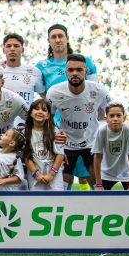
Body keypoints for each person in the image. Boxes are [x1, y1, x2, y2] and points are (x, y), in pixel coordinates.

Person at [35, 24, 99, 191]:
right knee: (64, 175)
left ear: (67, 38)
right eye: (53, 37)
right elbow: (44, 97)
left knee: (91, 174)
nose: (57, 40)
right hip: (59, 129)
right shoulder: (41, 66)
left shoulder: (85, 62)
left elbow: (94, 90)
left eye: (60, 36)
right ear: (49, 41)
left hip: (85, 129)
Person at [46, 54, 111, 190]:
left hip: (91, 142)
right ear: (66, 72)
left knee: (96, 181)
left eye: (79, 70)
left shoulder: (98, 91)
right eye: (71, 70)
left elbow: (110, 112)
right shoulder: (54, 92)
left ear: (86, 72)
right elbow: (48, 119)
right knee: (63, 182)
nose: (75, 73)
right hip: (66, 143)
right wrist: (54, 133)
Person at [0, 33, 45, 129]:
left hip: (26, 126)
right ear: (3, 50)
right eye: (9, 46)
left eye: (16, 46)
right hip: (2, 126)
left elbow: (44, 96)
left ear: (22, 50)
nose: (12, 49)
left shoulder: (34, 72)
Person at [92, 101, 129, 191]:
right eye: (112, 116)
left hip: (125, 173)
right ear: (106, 119)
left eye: (118, 115)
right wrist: (98, 184)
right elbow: (97, 157)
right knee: (100, 201)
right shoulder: (102, 131)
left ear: (124, 118)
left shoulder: (127, 130)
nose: (115, 119)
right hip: (106, 173)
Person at [22, 98, 65, 191]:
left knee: (57, 200)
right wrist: (36, 174)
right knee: (36, 201)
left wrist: (51, 174)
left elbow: (60, 155)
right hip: (35, 174)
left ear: (48, 116)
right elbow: (27, 156)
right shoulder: (25, 133)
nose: (40, 112)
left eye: (44, 110)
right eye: (37, 109)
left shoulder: (55, 131)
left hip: (54, 173)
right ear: (30, 113)